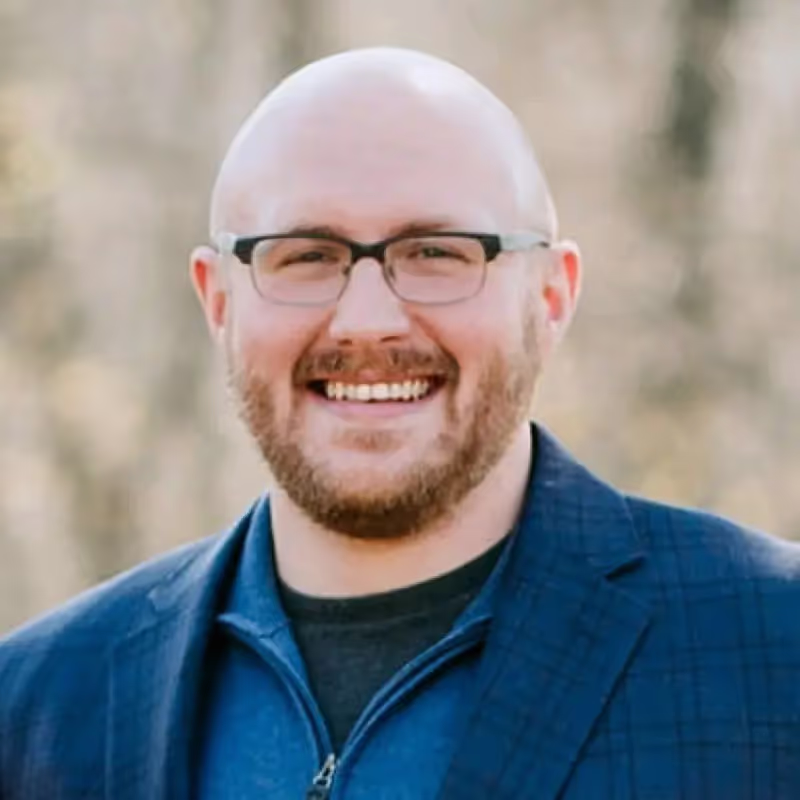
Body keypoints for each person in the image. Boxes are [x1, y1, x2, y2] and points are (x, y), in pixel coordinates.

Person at [1, 47, 799, 800]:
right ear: (218, 301)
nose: (368, 321)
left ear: (551, 295)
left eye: (438, 252)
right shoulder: (37, 706)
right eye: (305, 255)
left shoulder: (773, 650)